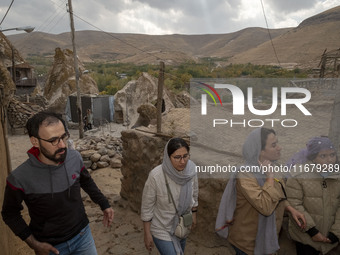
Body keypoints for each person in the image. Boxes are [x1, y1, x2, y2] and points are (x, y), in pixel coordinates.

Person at [1, 111, 114, 255]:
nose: (62, 145)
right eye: (53, 140)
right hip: (49, 248)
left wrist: (104, 204)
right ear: (35, 141)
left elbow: (86, 181)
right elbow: (10, 214)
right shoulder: (19, 178)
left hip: (83, 237)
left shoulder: (75, 158)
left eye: (63, 137)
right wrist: (34, 244)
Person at [216, 127, 306, 255]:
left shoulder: (272, 167)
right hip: (248, 245)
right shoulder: (246, 174)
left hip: (266, 241)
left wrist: (290, 209)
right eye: (274, 145)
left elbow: (277, 196)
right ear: (260, 151)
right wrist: (269, 178)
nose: (279, 148)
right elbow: (265, 206)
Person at [141, 138, 198, 255]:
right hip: (161, 228)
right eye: (177, 157)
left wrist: (194, 214)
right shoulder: (156, 176)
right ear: (168, 157)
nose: (182, 161)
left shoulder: (191, 171)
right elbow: (147, 206)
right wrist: (147, 233)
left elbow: (195, 193)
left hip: (182, 225)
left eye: (185, 156)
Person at [286, 136, 340, 255]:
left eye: (332, 155)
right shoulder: (299, 175)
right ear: (313, 158)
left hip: (332, 240)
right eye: (323, 156)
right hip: (306, 238)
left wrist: (335, 234)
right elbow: (294, 204)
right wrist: (312, 232)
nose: (330, 160)